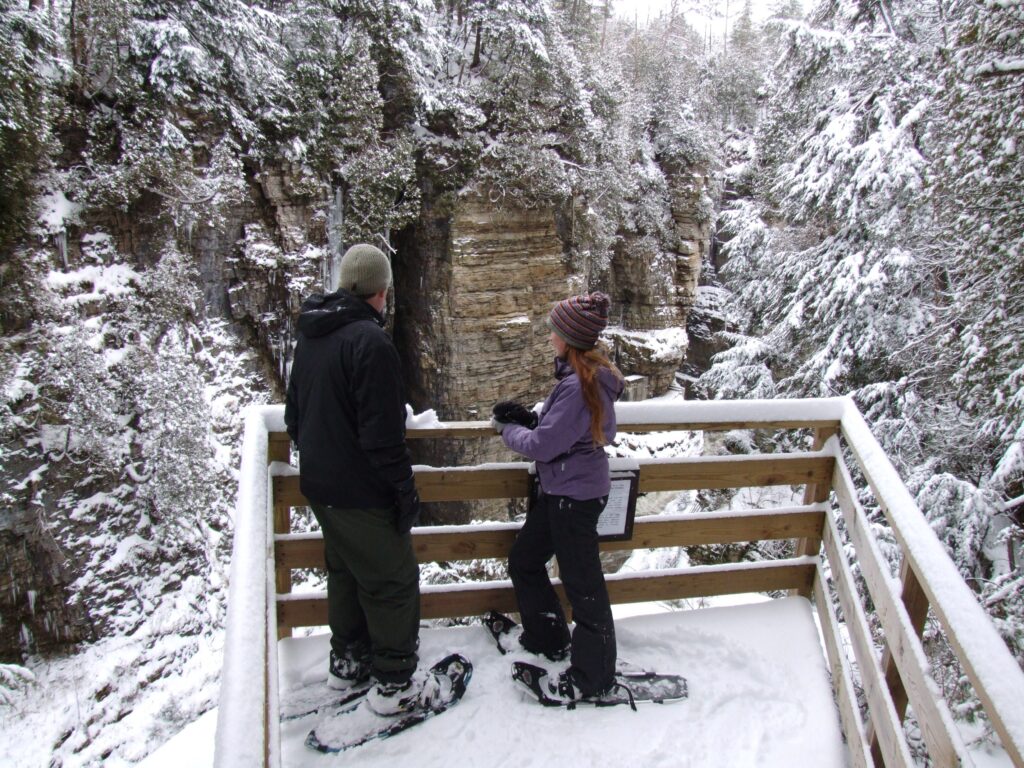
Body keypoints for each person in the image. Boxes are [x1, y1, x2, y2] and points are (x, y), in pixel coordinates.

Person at [284, 243, 451, 716]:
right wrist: (404, 491)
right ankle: (396, 685)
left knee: (347, 573)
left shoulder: (313, 335)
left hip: (321, 487)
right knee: (392, 581)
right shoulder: (370, 343)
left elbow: (295, 417)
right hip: (361, 492)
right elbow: (382, 437)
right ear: (380, 292)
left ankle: (351, 662)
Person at [491, 291, 625, 702]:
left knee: (584, 588)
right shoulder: (580, 378)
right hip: (562, 491)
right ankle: (548, 638)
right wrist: (530, 418)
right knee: (526, 560)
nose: (550, 335)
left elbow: (545, 446)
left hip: (574, 497)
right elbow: (566, 432)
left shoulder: (581, 383)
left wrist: (507, 430)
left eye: (555, 329)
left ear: (570, 337)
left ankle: (593, 677)